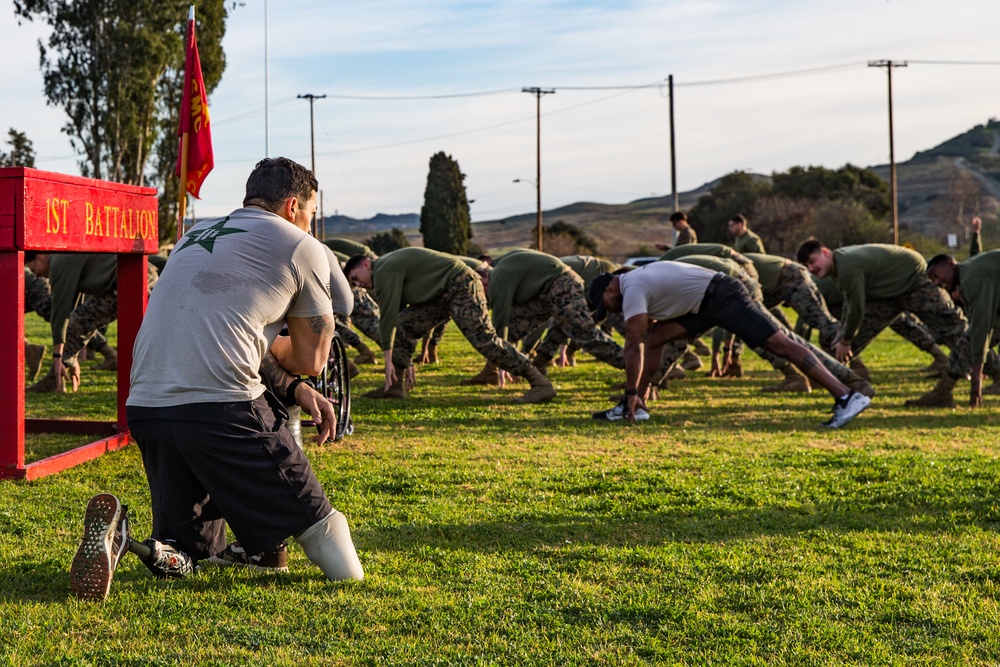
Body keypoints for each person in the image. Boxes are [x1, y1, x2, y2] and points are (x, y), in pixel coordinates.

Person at [69, 157, 365, 602]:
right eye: (311, 213)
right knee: (320, 524)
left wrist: (269, 350)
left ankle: (125, 541)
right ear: (291, 206)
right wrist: (283, 349)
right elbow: (311, 359)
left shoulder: (194, 236)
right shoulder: (300, 246)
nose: (311, 223)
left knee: (194, 554)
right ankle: (351, 578)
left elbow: (218, 329)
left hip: (147, 406)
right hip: (220, 405)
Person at [588, 261, 871, 427]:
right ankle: (639, 405)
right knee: (655, 337)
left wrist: (628, 390)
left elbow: (632, 343)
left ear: (611, 288)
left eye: (607, 305)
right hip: (705, 303)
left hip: (724, 296)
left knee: (781, 345)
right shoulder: (634, 281)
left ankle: (847, 396)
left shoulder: (632, 287)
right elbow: (646, 339)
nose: (611, 311)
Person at [344, 247, 555, 403]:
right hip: (442, 295)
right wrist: (404, 362)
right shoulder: (386, 270)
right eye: (354, 284)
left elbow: (387, 316)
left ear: (366, 264)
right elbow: (398, 318)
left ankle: (539, 383)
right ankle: (395, 386)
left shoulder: (383, 269)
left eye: (356, 278)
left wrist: (388, 360)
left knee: (483, 339)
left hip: (460, 284)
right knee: (404, 326)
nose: (358, 284)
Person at [795, 239, 968, 399]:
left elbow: (856, 306)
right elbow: (850, 304)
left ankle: (994, 373)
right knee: (840, 342)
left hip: (912, 279)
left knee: (954, 329)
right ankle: (854, 385)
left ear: (825, 252)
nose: (811, 269)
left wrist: (845, 339)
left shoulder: (846, 266)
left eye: (812, 261)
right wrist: (844, 338)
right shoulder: (837, 268)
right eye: (806, 266)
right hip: (886, 295)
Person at [24, 252, 156, 392]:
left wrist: (58, 356)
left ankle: (54, 376)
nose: (37, 276)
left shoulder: (59, 263)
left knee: (81, 320)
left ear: (40, 257)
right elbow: (73, 307)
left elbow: (60, 312)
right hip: (136, 274)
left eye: (34, 270)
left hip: (132, 277)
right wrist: (71, 356)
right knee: (80, 319)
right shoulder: (62, 258)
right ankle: (56, 374)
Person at [483, 249, 624, 376]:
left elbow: (500, 320)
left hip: (563, 283)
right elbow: (512, 323)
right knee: (517, 325)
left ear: (483, 281)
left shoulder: (498, 279)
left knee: (584, 334)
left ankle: (635, 365)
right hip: (548, 289)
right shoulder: (506, 272)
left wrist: (509, 357)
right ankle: (496, 370)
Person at [909, 251, 1000, 407]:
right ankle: (942, 392)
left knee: (969, 341)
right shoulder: (969, 274)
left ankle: (942, 392)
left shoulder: (972, 278)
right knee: (966, 342)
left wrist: (976, 378)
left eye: (936, 275)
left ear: (950, 264)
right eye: (932, 280)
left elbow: (982, 326)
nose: (937, 283)